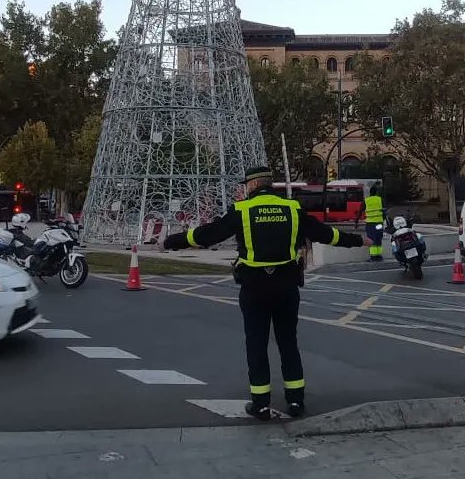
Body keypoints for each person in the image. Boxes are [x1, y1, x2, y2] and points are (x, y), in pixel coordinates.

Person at [164, 166, 369, 420]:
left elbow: (208, 235)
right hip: (287, 286)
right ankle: (296, 401)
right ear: (269, 184)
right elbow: (326, 234)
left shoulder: (242, 210)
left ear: (251, 186)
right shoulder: (292, 209)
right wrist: (359, 241)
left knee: (257, 344)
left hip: (254, 288)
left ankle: (260, 404)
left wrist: (173, 241)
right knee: (288, 343)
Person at [355, 184, 386, 262]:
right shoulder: (380, 199)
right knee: (378, 238)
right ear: (376, 192)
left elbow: (360, 212)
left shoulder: (366, 200)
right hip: (379, 222)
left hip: (370, 224)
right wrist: (384, 219)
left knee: (371, 239)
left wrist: (356, 222)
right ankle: (379, 256)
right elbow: (384, 211)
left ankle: (373, 257)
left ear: (370, 192)